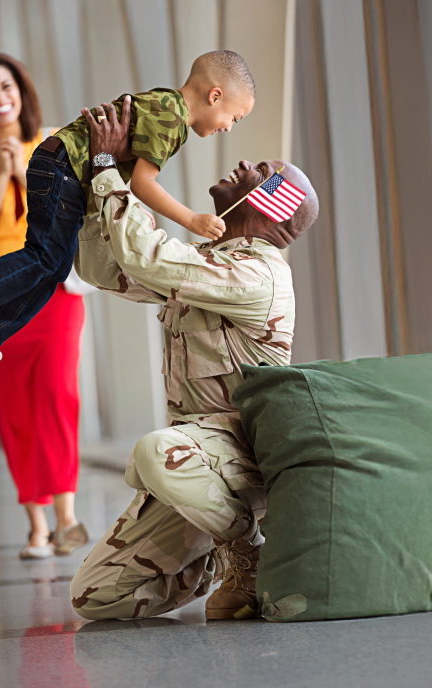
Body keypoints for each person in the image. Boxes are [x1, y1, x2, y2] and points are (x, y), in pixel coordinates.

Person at [68, 100, 319, 620]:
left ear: (273, 208)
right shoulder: (210, 265)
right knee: (94, 597)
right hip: (194, 464)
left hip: (234, 458)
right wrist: (92, 186)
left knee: (152, 453)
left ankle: (245, 550)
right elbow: (102, 267)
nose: (248, 165)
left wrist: (108, 170)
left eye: (265, 173)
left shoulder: (259, 277)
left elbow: (148, 258)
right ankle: (212, 547)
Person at [0, 51, 257, 395]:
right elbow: (144, 182)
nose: (229, 127)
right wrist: (192, 219)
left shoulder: (165, 105)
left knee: (54, 268)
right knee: (43, 258)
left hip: (57, 167)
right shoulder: (174, 119)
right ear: (214, 96)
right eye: (235, 117)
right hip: (62, 170)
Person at [0, 53, 88, 560]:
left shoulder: (51, 143)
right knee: (12, 408)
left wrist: (24, 174)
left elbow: (65, 216)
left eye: (7, 86)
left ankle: (67, 516)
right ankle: (36, 524)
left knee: (55, 393)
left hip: (52, 291)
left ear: (21, 90)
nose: (0, 97)